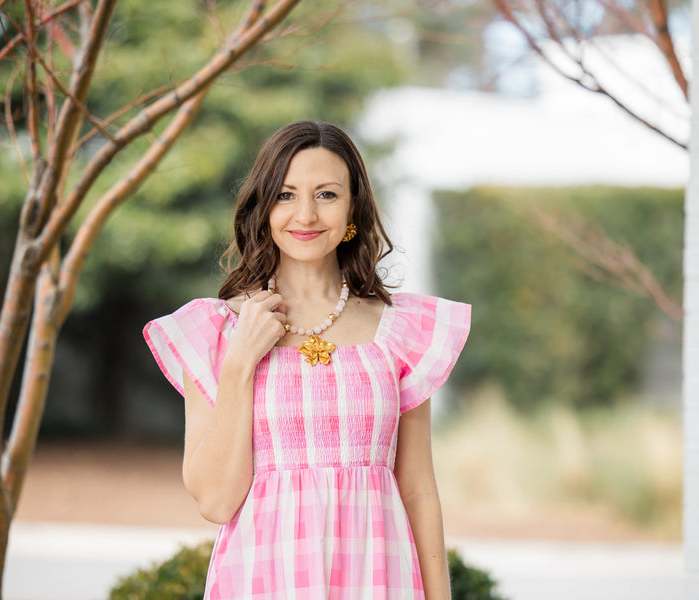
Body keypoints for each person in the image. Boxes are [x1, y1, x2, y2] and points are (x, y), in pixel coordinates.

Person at [143, 120, 470, 599]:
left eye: (327, 195)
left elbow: (418, 489)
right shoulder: (218, 331)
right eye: (286, 194)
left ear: (353, 206)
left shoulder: (400, 331)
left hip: (377, 580)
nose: (306, 215)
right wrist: (239, 364)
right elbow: (215, 501)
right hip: (263, 579)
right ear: (264, 207)